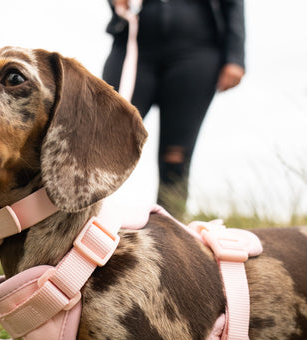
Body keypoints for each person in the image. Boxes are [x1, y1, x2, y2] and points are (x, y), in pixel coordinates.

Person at [103, 0, 245, 218]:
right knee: (102, 136)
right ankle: (76, 222)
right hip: (134, 45)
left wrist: (235, 56)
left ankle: (170, 234)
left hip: (195, 52)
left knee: (176, 155)